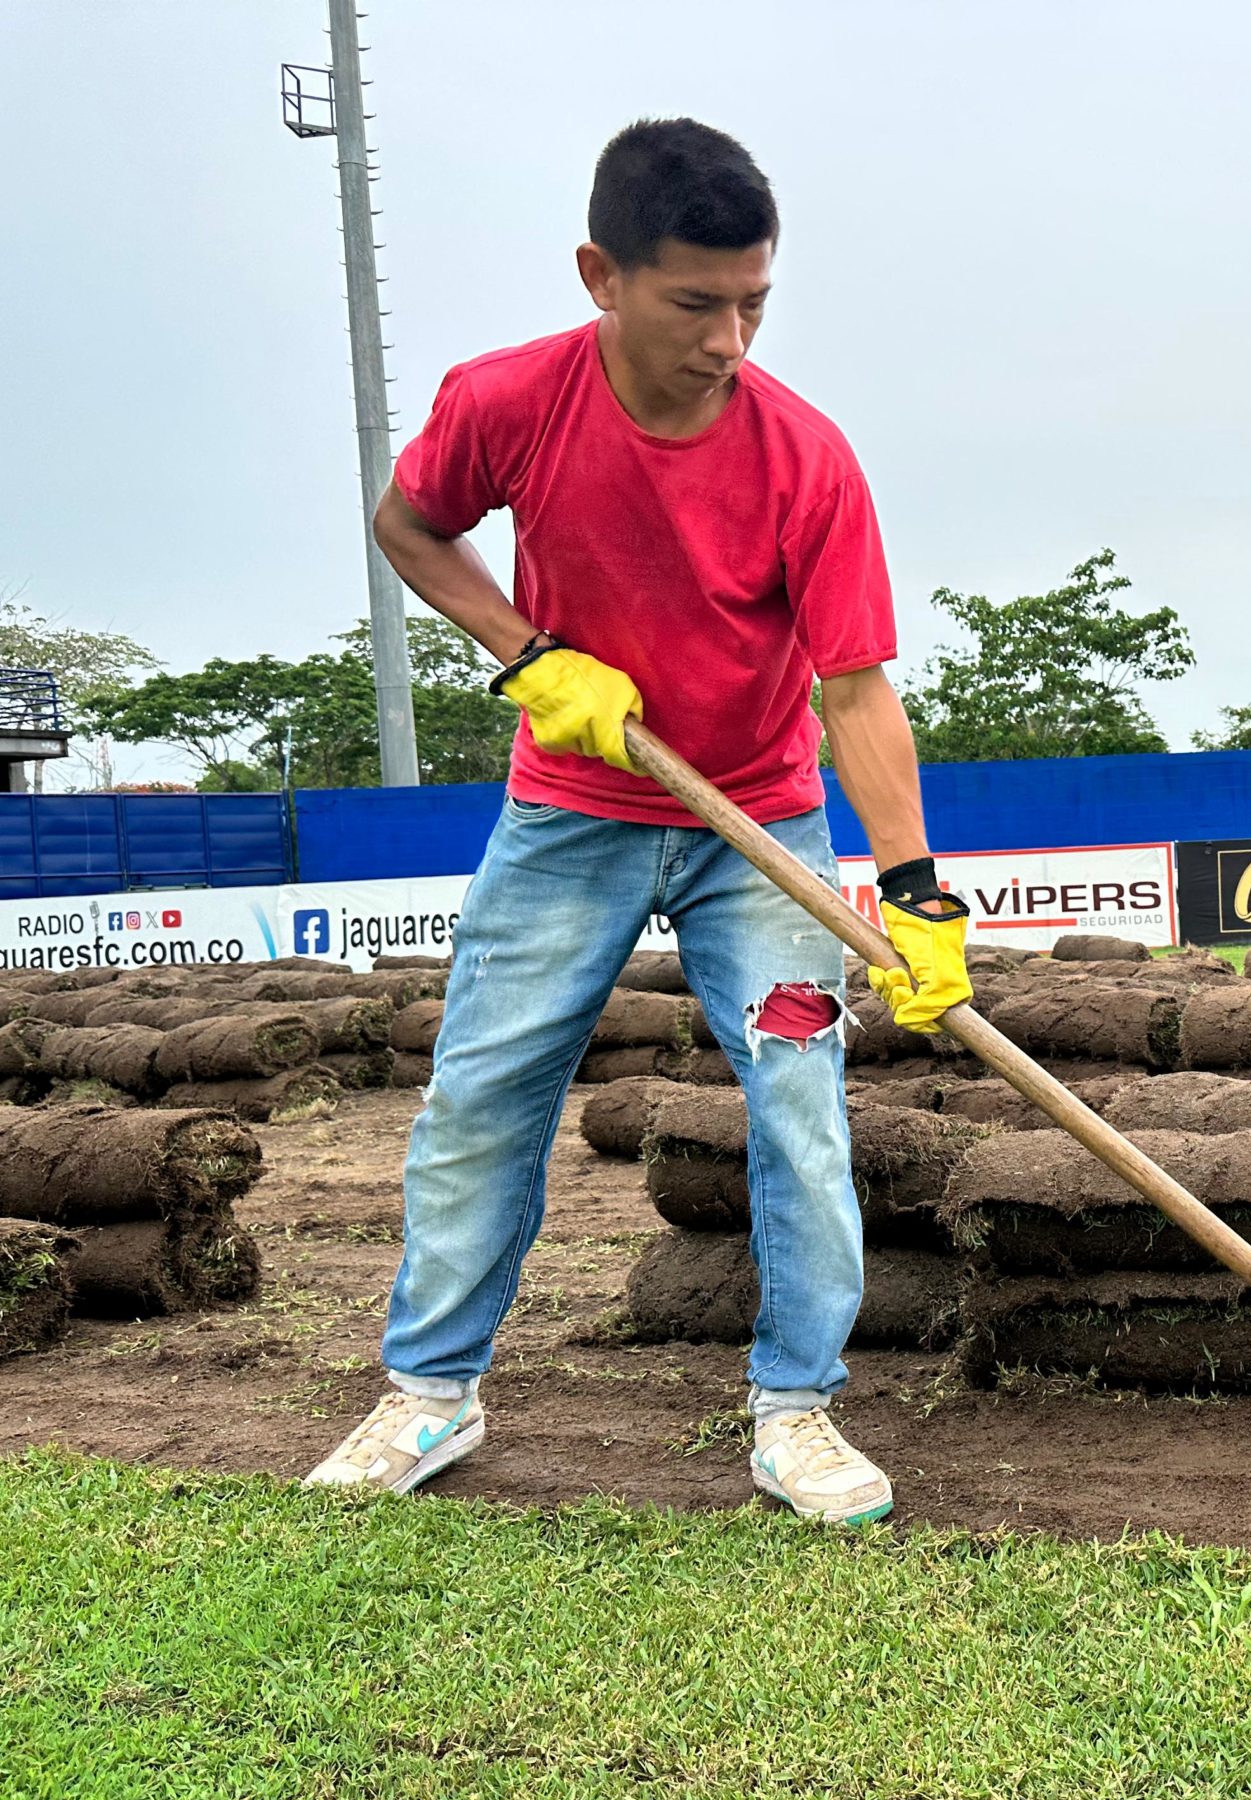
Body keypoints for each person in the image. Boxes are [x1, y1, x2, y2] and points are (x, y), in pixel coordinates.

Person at [305, 118, 972, 1525]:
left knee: (798, 1108)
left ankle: (798, 1413)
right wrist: (528, 652)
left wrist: (914, 891)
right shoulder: (509, 401)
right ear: (602, 274)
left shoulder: (807, 458)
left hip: (765, 828)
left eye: (756, 303)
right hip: (571, 814)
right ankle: (432, 1395)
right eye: (696, 303)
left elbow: (853, 689)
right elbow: (410, 525)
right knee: (483, 1094)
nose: (731, 338)